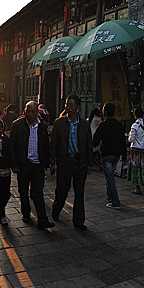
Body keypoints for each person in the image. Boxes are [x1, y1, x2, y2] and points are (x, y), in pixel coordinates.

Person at [50, 94, 94, 230]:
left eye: (71, 105)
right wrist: (52, 163)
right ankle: (56, 209)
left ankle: (79, 221)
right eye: (67, 105)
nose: (68, 107)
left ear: (78, 108)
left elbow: (89, 145)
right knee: (62, 190)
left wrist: (90, 164)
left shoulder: (84, 124)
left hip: (80, 162)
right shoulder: (59, 123)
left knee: (79, 193)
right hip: (65, 161)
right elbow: (54, 144)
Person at [10, 101, 55, 230]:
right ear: (25, 111)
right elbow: (12, 146)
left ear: (37, 112)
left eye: (33, 112)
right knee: (23, 191)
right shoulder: (17, 125)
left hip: (37, 165)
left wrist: (48, 164)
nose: (30, 114)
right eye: (28, 111)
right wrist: (14, 164)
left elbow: (45, 146)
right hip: (23, 164)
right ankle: (26, 214)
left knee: (38, 192)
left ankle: (42, 219)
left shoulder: (42, 127)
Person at [93, 102, 128, 209]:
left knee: (110, 178)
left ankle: (115, 202)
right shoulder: (119, 125)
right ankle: (109, 195)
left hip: (106, 155)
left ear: (105, 112)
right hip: (117, 155)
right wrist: (124, 155)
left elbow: (95, 141)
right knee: (110, 176)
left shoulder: (103, 125)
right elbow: (122, 141)